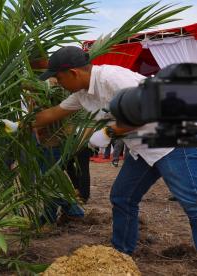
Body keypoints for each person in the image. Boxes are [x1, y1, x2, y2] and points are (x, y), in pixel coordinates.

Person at [29, 46, 197, 255]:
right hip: (142, 148)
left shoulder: (113, 79)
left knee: (193, 204)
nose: (58, 83)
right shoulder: (82, 93)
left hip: (171, 141)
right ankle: (120, 255)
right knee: (122, 197)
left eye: (59, 78)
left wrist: (109, 132)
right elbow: (55, 112)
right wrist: (21, 125)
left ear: (73, 73)